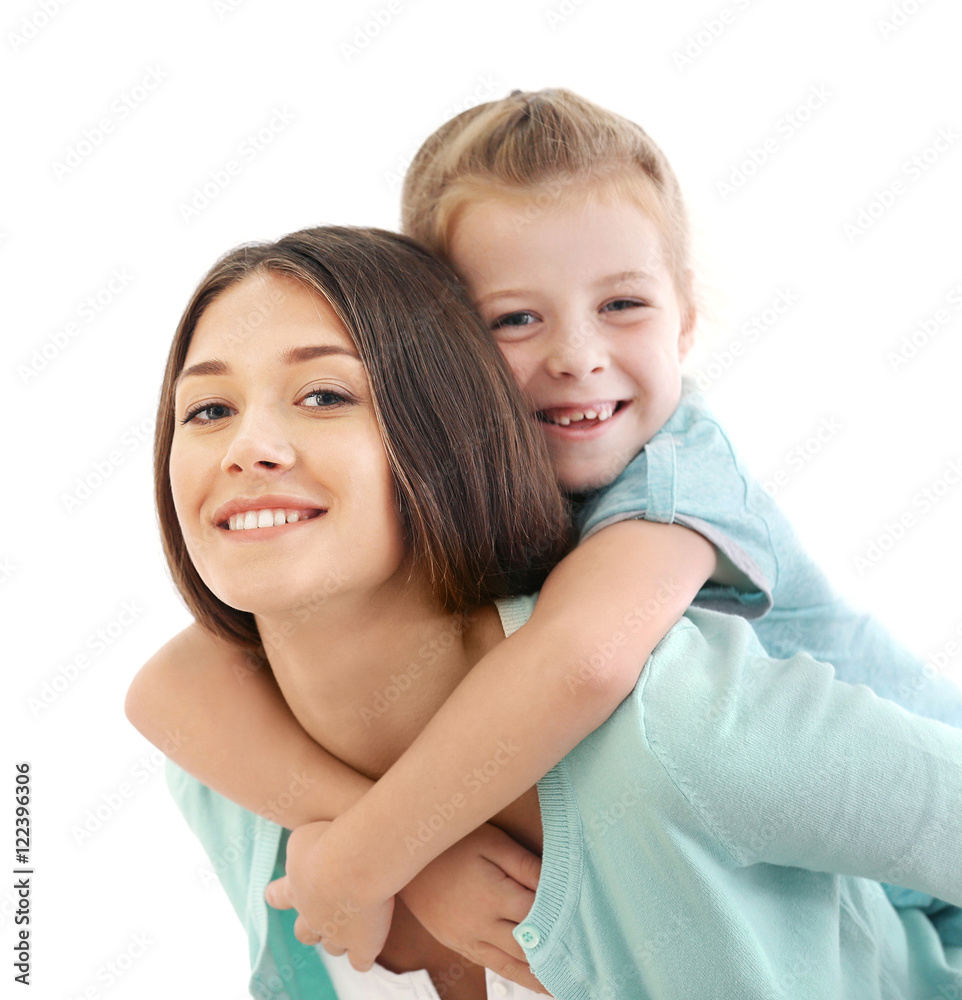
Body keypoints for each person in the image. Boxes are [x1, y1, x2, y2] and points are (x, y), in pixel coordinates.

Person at [129, 87, 962, 976]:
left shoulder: (673, 484)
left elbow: (583, 661)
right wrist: (422, 860)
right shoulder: (470, 523)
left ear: (686, 317)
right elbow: (168, 688)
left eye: (625, 306)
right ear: (446, 356)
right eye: (515, 319)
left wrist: (370, 854)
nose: (576, 355)